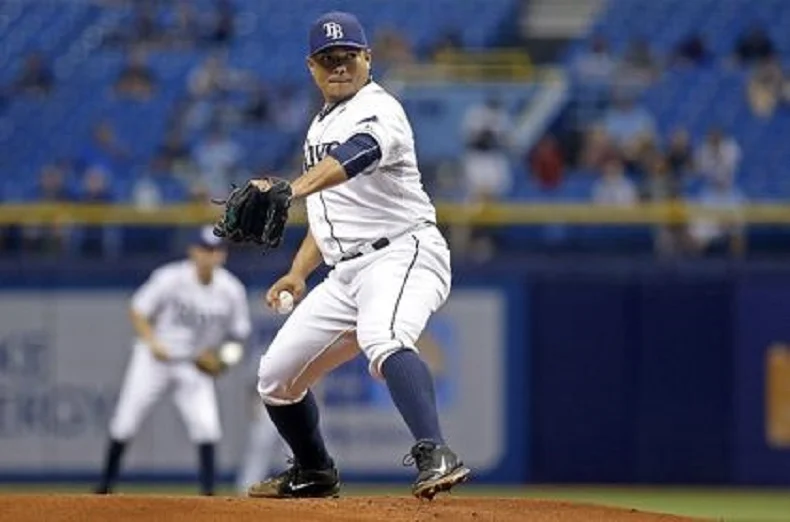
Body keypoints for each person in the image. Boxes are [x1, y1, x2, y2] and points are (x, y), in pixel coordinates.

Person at [244, 11, 470, 500]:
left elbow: (358, 155)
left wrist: (290, 189)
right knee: (276, 377)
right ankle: (314, 471)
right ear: (312, 67)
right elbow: (331, 214)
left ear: (368, 58)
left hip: (403, 251)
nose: (339, 66)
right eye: (328, 59)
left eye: (348, 56)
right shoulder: (318, 126)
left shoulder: (379, 108)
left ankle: (436, 452)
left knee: (383, 337)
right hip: (345, 273)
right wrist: (298, 272)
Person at [95, 226, 251, 495]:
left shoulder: (231, 289)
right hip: (155, 359)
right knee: (125, 421)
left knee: (207, 428)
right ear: (193, 251)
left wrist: (222, 362)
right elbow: (138, 309)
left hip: (194, 365)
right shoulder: (170, 278)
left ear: (223, 255)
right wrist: (152, 341)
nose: (210, 255)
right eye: (205, 249)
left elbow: (238, 337)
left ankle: (209, 497)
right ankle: (104, 490)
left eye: (216, 250)